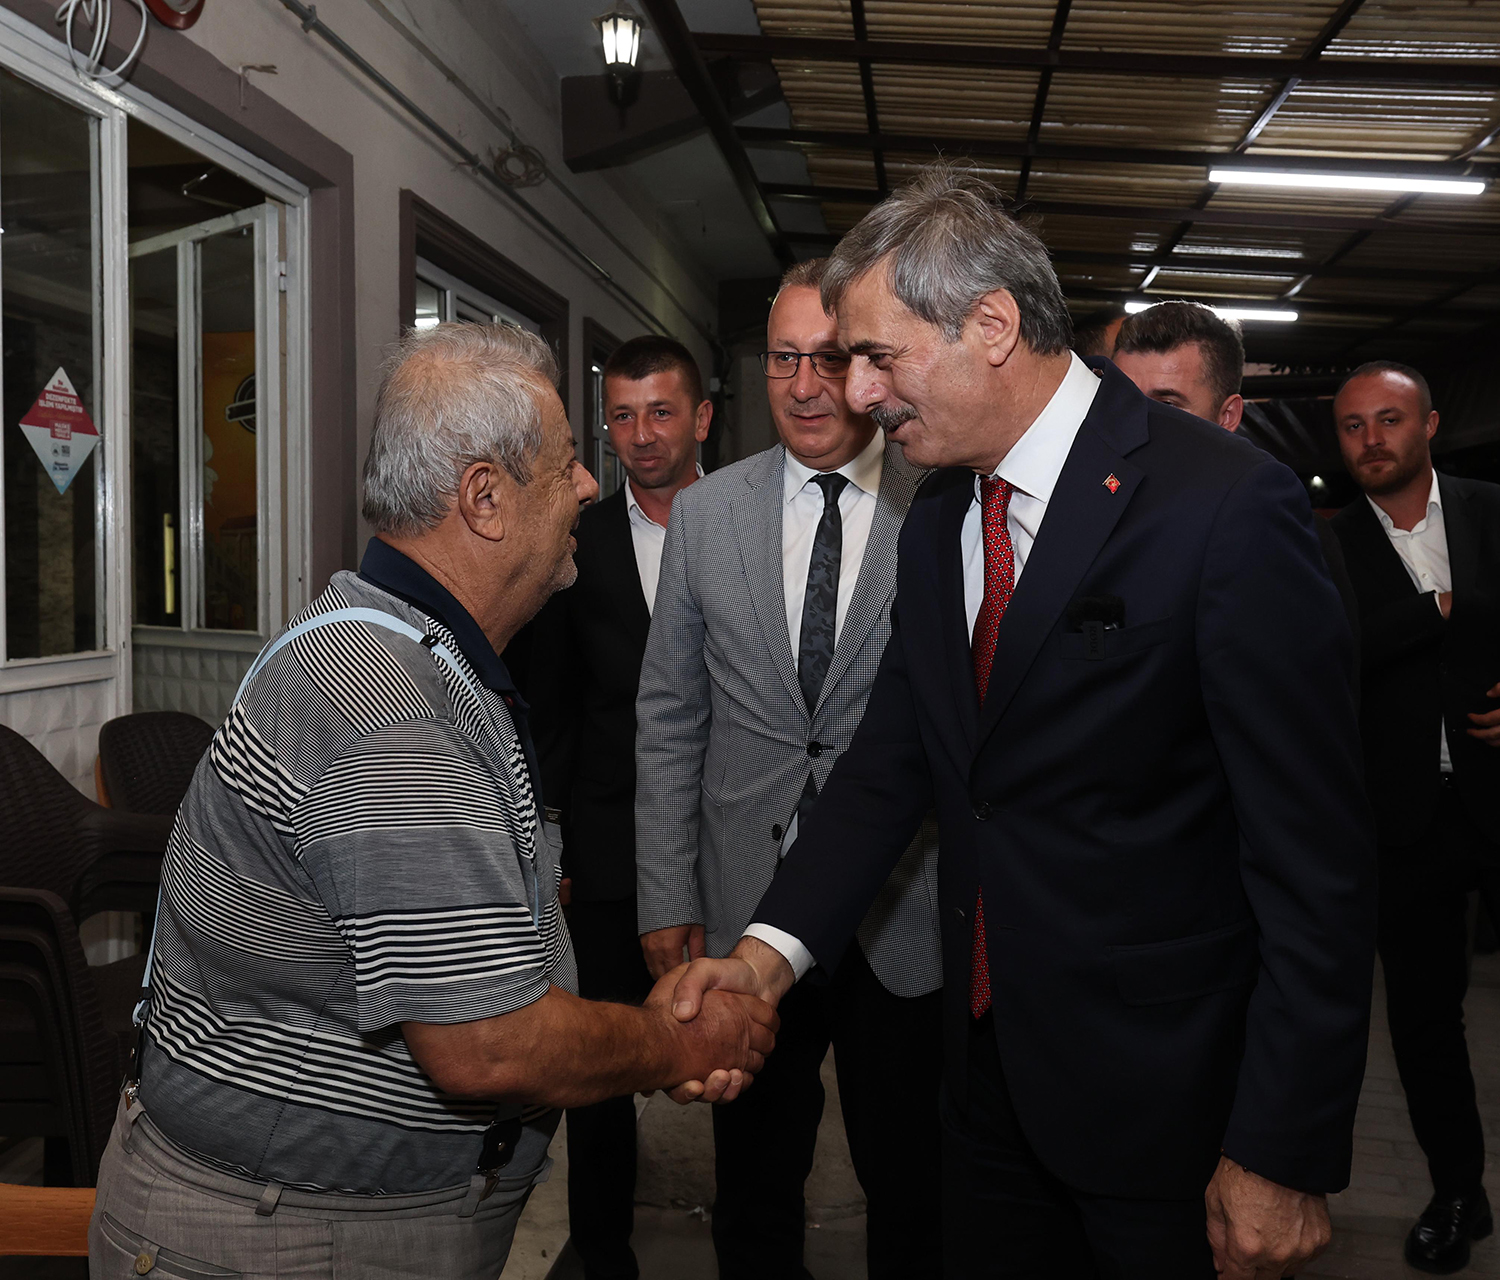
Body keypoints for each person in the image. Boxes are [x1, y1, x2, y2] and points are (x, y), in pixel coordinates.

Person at [671, 165, 1377, 1280]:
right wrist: (764, 957)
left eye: (877, 355)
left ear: (991, 325)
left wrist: (1280, 1145)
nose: (855, 393)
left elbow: (1315, 862)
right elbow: (889, 766)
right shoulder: (940, 508)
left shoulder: (1224, 506)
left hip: (1167, 1106)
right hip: (983, 1082)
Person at [89, 323, 775, 1280]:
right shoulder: (390, 712)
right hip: (288, 1240)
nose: (587, 487)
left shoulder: (400, 650)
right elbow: (487, 1045)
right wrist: (672, 1038)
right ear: (485, 498)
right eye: (570, 463)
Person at [636, 258, 944, 1280]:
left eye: (830, 357)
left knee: (915, 1184)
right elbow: (671, 716)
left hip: (907, 909)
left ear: (868, 368)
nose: (807, 385)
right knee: (756, 1181)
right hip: (743, 901)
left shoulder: (940, 506)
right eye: (784, 358)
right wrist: (666, 890)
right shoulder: (708, 513)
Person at [527, 334, 711, 1280]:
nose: (641, 436)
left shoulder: (753, 522)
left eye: (662, 412)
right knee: (599, 1062)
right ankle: (601, 1254)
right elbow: (552, 704)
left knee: (735, 1051)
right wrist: (551, 836)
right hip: (604, 846)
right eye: (623, 417)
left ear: (702, 418)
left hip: (729, 848)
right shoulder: (579, 543)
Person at [1329, 361, 1500, 1275]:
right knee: (1427, 1025)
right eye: (1352, 427)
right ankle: (1457, 1190)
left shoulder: (1489, 510)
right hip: (1403, 823)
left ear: (1430, 425)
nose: (1371, 441)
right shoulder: (1322, 543)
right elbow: (1331, 653)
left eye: (1388, 421)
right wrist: (1433, 609)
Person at [1113, 299, 1361, 647]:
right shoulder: (1084, 517)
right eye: (1124, 401)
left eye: (1167, 406)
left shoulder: (1276, 532)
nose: (1137, 424)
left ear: (1227, 416)